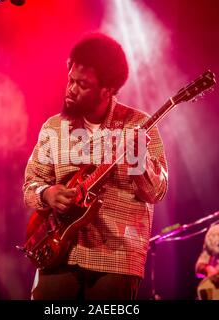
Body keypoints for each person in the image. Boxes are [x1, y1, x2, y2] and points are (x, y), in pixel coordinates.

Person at [22, 32, 168, 300]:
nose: (71, 89)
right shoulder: (54, 127)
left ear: (108, 89)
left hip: (116, 260)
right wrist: (47, 194)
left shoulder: (138, 125)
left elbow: (155, 193)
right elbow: (30, 185)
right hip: (58, 255)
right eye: (70, 80)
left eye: (83, 84)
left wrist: (140, 158)